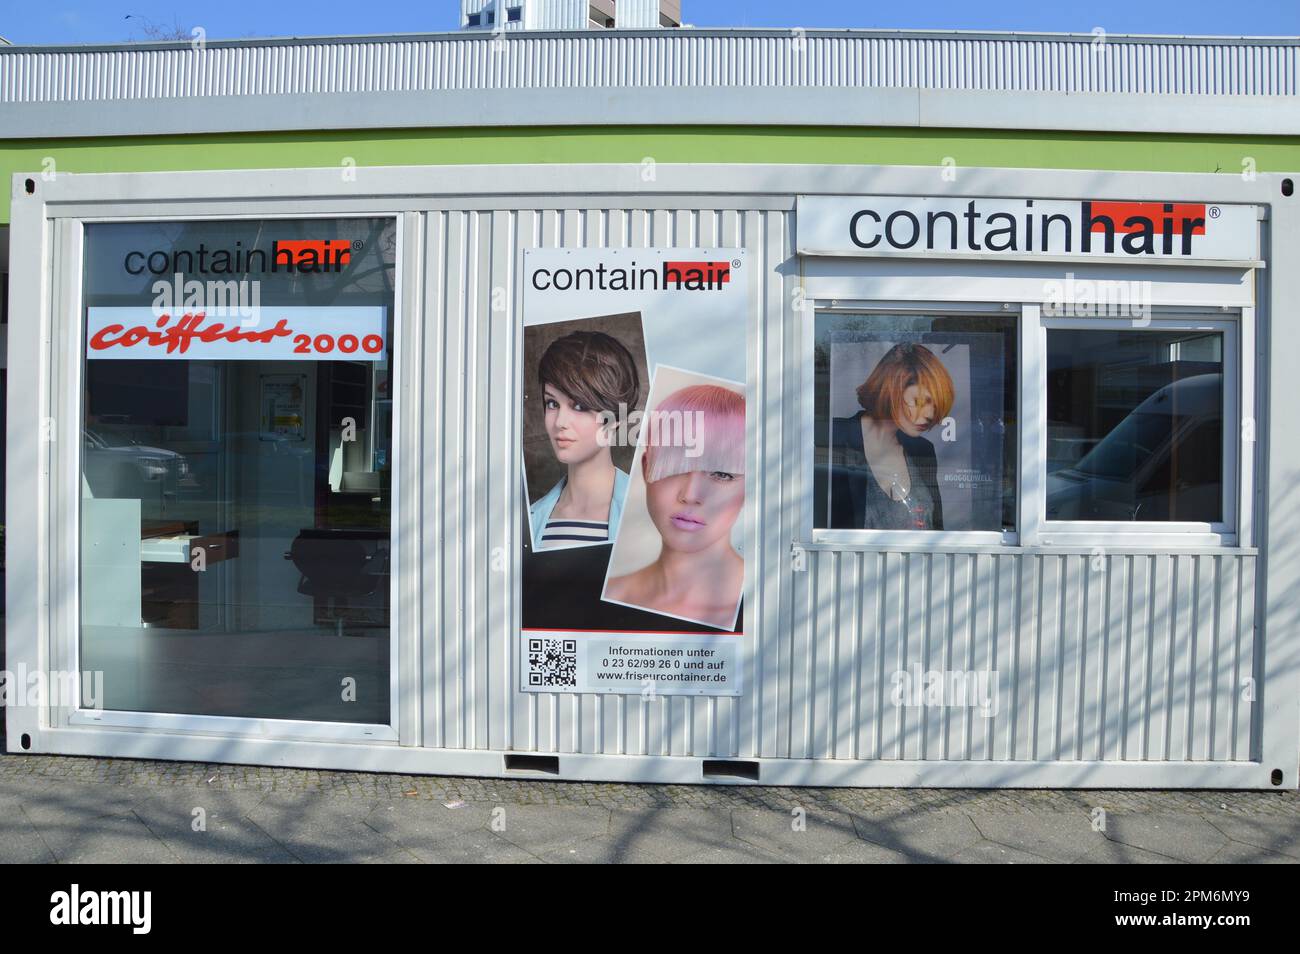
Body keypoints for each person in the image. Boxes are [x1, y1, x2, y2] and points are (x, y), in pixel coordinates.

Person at [604, 384, 745, 630]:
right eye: (674, 466)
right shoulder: (612, 594)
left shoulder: (768, 603)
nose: (690, 495)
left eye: (722, 474)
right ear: (646, 468)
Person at [528, 330, 640, 549]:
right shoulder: (528, 521)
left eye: (579, 406)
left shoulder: (646, 512)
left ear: (615, 417)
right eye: (552, 403)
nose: (560, 421)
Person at [827, 342, 953, 530]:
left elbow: (936, 528)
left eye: (935, 404)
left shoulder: (922, 450)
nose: (929, 414)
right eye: (920, 401)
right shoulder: (834, 437)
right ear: (891, 389)